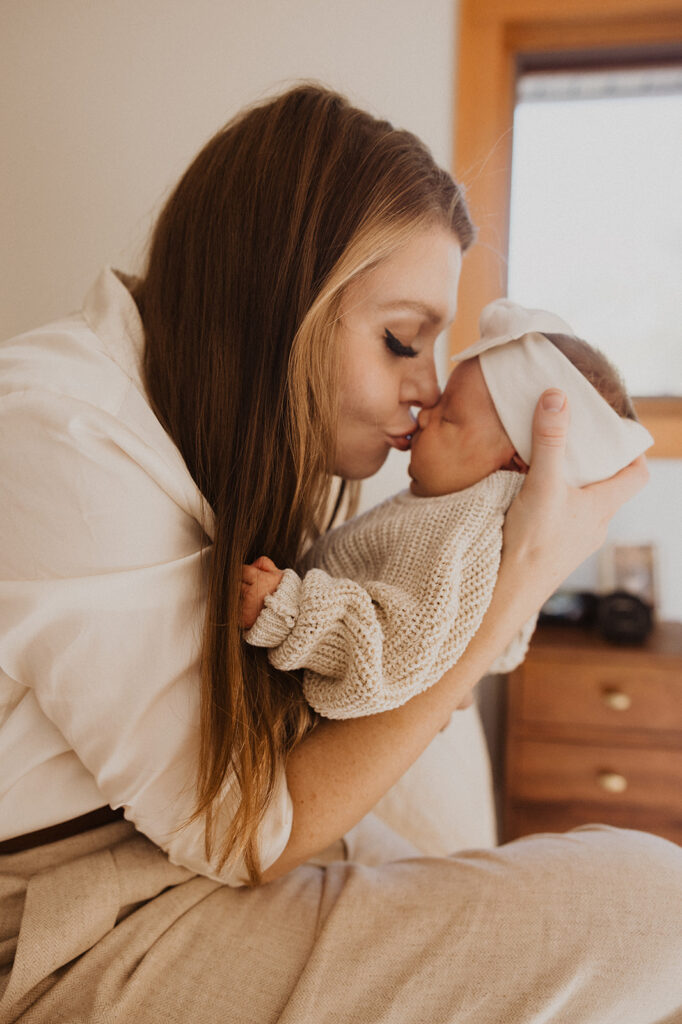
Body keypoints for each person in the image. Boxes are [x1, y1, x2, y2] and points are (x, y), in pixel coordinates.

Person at [1, 84, 681, 1024]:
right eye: (402, 339)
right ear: (277, 298)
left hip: (171, 853)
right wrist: (512, 592)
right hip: (63, 919)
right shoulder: (62, 442)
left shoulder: (233, 438)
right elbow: (245, 833)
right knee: (658, 908)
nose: (425, 389)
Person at [241, 300, 654, 720]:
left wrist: (287, 611)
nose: (424, 415)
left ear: (514, 466)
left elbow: (397, 649)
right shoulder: (446, 504)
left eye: (449, 417)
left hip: (286, 702)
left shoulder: (468, 526)